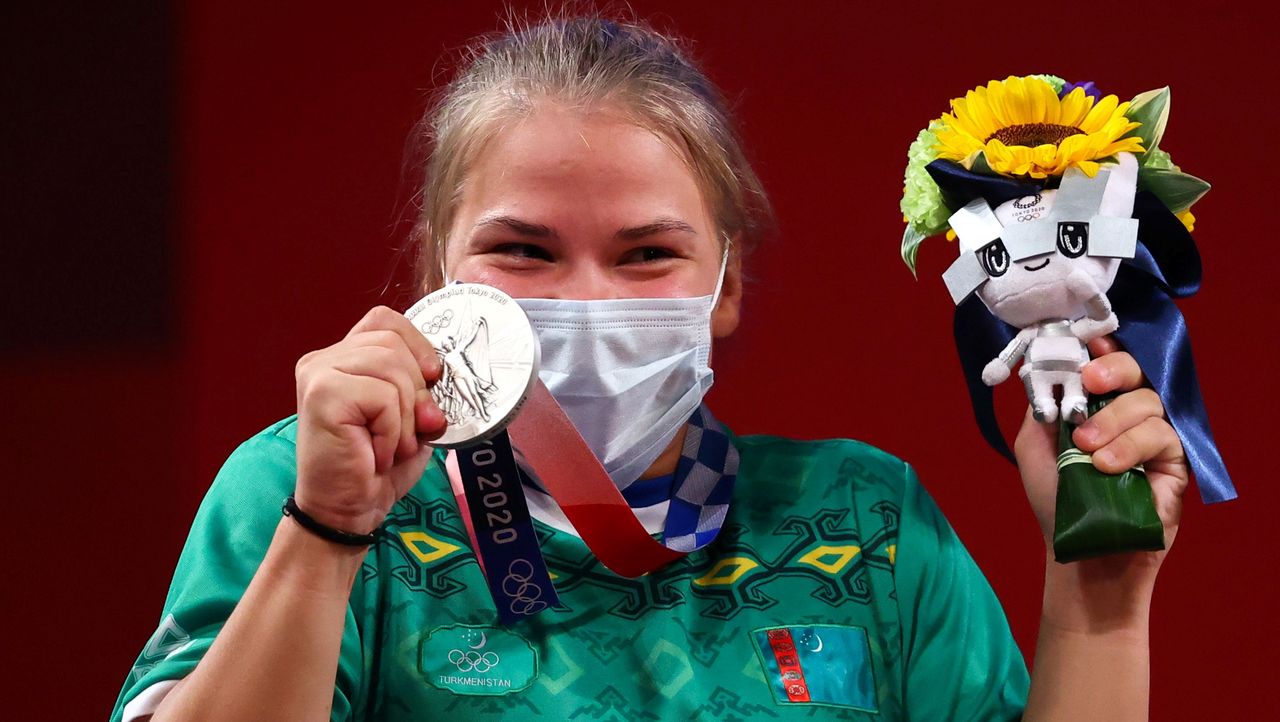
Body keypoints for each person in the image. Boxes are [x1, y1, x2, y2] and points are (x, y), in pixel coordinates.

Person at [111, 13, 1189, 722]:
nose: (584, 298)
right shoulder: (308, 489)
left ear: (722, 287)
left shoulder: (865, 520)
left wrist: (1098, 592)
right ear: (436, 267)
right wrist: (326, 536)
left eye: (646, 254)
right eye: (522, 249)